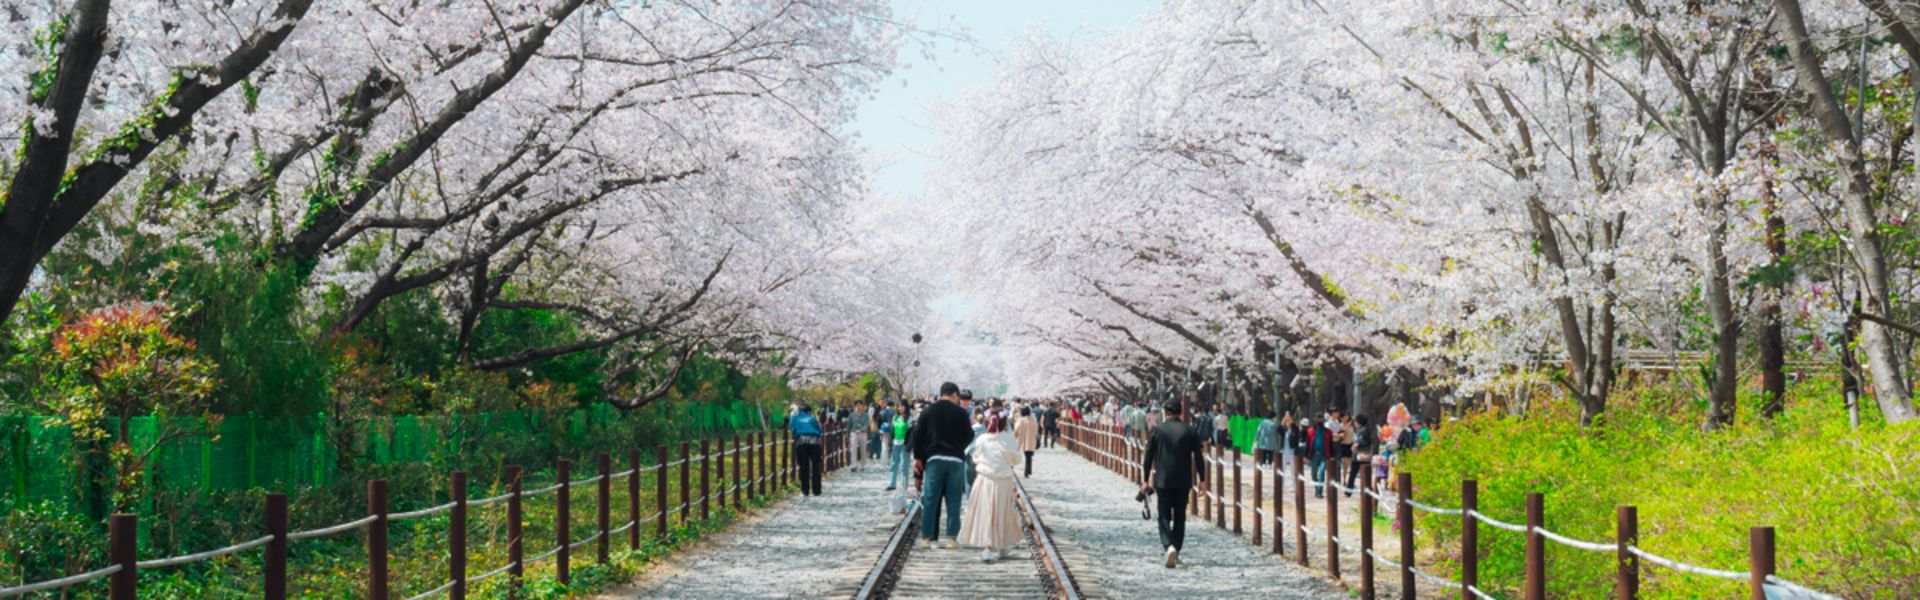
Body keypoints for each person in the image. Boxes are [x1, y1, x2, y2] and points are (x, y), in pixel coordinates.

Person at [1140, 400, 1206, 568]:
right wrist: (1203, 480)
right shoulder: (1189, 430)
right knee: (1180, 516)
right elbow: (1198, 456)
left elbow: (1148, 457)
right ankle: (1176, 548)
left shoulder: (1157, 431)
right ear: (1181, 411)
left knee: (1163, 514)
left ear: (1165, 412)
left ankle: (1168, 545)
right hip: (1183, 480)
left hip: (1163, 480)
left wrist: (1145, 479)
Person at [912, 382, 976, 549]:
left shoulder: (928, 411)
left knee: (931, 498)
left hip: (934, 459)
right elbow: (969, 435)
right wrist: (958, 446)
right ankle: (951, 538)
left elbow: (918, 436)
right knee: (954, 499)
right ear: (955, 395)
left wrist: (919, 457)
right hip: (955, 461)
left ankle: (928, 538)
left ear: (941, 394)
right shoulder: (961, 413)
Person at [958, 412, 1024, 562]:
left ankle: (987, 548)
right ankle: (1002, 546)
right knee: (1003, 512)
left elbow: (975, 458)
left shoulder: (981, 439)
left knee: (986, 512)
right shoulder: (1009, 438)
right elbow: (1017, 459)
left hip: (985, 479)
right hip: (1004, 480)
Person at [790, 405, 824, 497]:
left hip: (802, 442)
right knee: (816, 466)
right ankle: (817, 491)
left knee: (804, 467)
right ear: (809, 412)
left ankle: (805, 491)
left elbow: (792, 428)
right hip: (814, 442)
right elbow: (819, 430)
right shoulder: (812, 419)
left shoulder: (795, 418)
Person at [1345, 414, 1377, 495]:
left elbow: (1361, 441)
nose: (1354, 423)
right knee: (1360, 473)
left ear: (1358, 422)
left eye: (1355, 421)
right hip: (1359, 455)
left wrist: (1356, 445)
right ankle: (1363, 488)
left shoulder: (1363, 430)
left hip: (1360, 455)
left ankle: (1350, 490)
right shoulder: (1362, 429)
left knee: (1355, 473)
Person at [886, 401, 912, 491]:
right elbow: (892, 431)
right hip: (895, 443)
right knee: (893, 464)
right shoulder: (895, 417)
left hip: (905, 444)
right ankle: (892, 484)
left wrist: (909, 444)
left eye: (902, 406)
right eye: (899, 406)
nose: (900, 408)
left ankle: (903, 486)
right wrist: (891, 442)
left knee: (904, 465)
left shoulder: (909, 418)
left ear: (906, 407)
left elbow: (911, 432)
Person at [1306, 416, 1330, 498]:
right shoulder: (1310, 431)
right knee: (1313, 474)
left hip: (1323, 455)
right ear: (1315, 420)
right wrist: (1306, 456)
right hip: (1313, 455)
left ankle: (1319, 492)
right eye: (1318, 419)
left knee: (1322, 473)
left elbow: (1331, 445)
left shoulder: (1328, 432)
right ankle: (1316, 488)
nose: (1320, 421)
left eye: (1321, 420)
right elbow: (1307, 444)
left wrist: (1332, 456)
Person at [1014, 406, 1040, 477]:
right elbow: (1036, 431)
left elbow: (1016, 429)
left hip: (1023, 439)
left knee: (1026, 456)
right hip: (1031, 440)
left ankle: (1026, 471)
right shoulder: (1034, 420)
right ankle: (1028, 471)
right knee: (1029, 456)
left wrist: (1014, 436)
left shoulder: (1021, 420)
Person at [849, 401, 871, 471]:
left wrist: (861, 430)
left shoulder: (866, 415)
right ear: (855, 406)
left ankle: (862, 465)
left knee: (863, 449)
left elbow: (867, 424)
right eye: (857, 405)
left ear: (862, 406)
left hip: (863, 433)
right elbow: (849, 425)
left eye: (860, 405)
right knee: (853, 449)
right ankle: (853, 465)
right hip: (854, 433)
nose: (858, 407)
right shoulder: (851, 415)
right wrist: (847, 434)